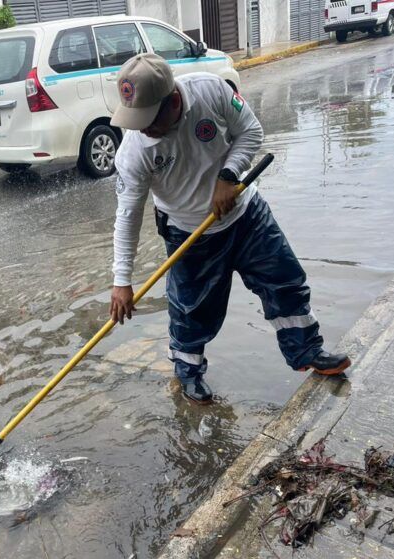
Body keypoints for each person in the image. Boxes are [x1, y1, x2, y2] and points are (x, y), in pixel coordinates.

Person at [108, 53, 350, 404]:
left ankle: (307, 352)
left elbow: (250, 131)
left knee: (285, 282)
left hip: (247, 215)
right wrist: (121, 281)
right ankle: (188, 373)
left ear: (173, 101)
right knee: (192, 311)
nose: (141, 129)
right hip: (189, 234)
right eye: (135, 120)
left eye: (148, 120)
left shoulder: (211, 90)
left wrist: (229, 175)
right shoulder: (134, 151)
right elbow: (127, 214)